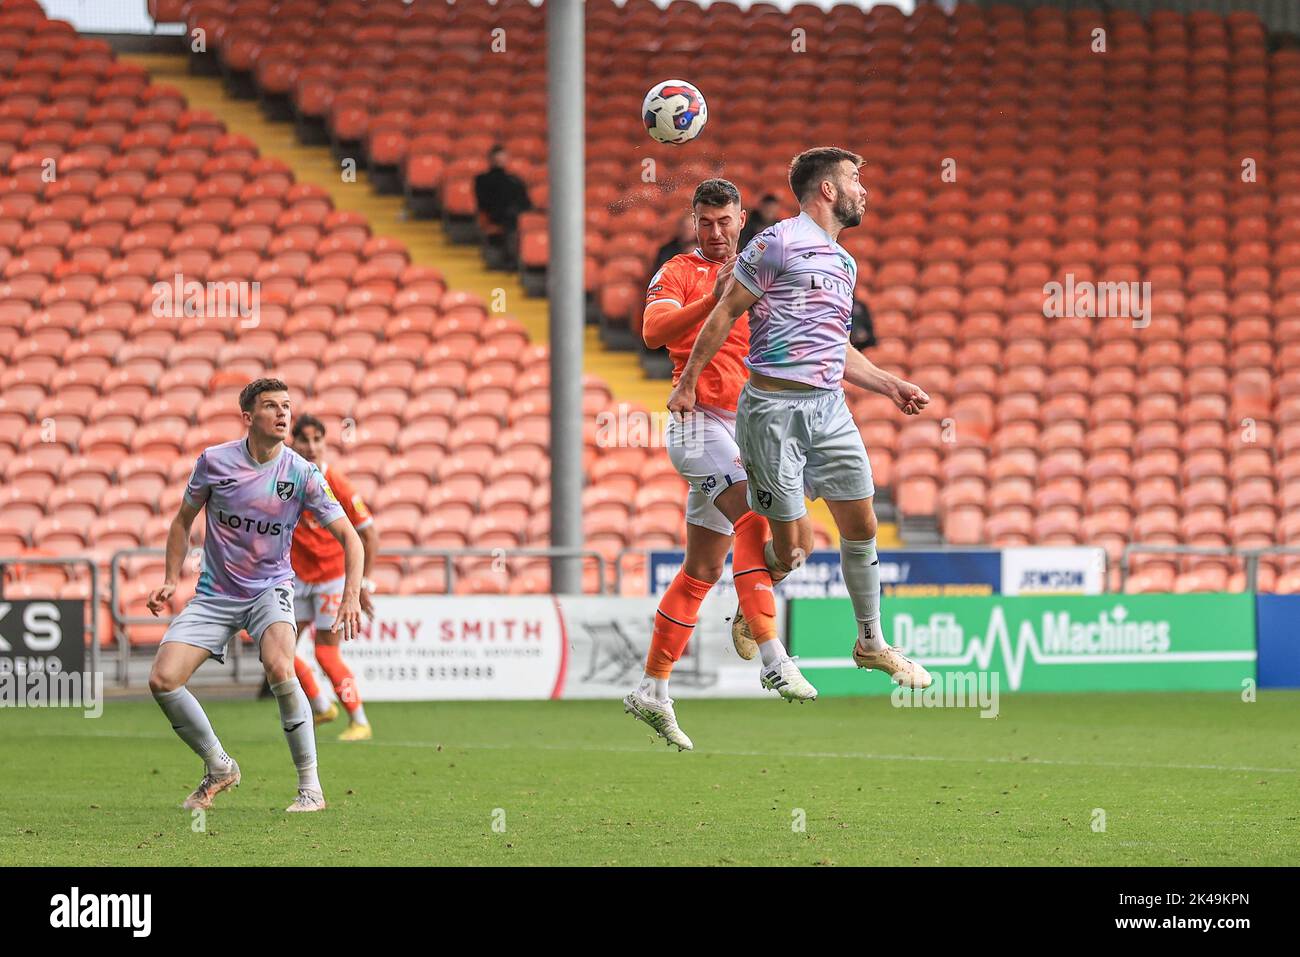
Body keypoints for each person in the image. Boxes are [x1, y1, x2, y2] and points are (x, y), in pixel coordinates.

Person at [667, 147, 934, 692]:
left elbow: (836, 350)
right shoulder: (775, 243)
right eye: (855, 180)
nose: (865, 190)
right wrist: (690, 379)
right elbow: (724, 314)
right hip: (772, 415)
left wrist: (890, 384)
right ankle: (753, 598)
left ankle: (871, 643)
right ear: (828, 190)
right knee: (793, 550)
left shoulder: (844, 262)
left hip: (829, 408)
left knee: (862, 526)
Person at [623, 178, 803, 752]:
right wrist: (714, 298)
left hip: (750, 428)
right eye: (706, 222)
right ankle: (774, 657)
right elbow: (653, 331)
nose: (717, 232)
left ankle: (652, 690)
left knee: (706, 570)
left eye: (725, 222)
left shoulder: (767, 271)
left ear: (742, 219)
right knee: (755, 520)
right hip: (697, 422)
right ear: (695, 221)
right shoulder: (678, 270)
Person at [146, 378, 364, 813]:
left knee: (281, 666)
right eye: (271, 406)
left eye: (286, 405)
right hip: (214, 594)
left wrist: (351, 594)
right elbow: (181, 522)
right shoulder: (213, 462)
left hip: (270, 589)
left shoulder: (302, 472)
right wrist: (172, 576)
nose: (283, 414)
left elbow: (351, 537)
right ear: (248, 417)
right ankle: (219, 766)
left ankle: (310, 789)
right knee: (163, 680)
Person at [289, 415, 378, 741]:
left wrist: (363, 584)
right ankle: (321, 705)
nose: (311, 447)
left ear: (325, 444)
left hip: (330, 577)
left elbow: (369, 535)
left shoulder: (337, 483)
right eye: (304, 441)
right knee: (276, 650)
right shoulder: (285, 479)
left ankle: (359, 721)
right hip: (296, 579)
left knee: (326, 653)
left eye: (317, 440)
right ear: (292, 443)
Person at [473, 144, 531, 269]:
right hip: (494, 214)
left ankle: (520, 258)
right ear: (491, 159)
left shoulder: (514, 180)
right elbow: (483, 202)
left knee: (520, 219)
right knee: (511, 221)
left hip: (514, 215)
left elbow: (525, 202)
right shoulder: (482, 179)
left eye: (502, 158)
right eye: (497, 158)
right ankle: (511, 259)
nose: (500, 161)